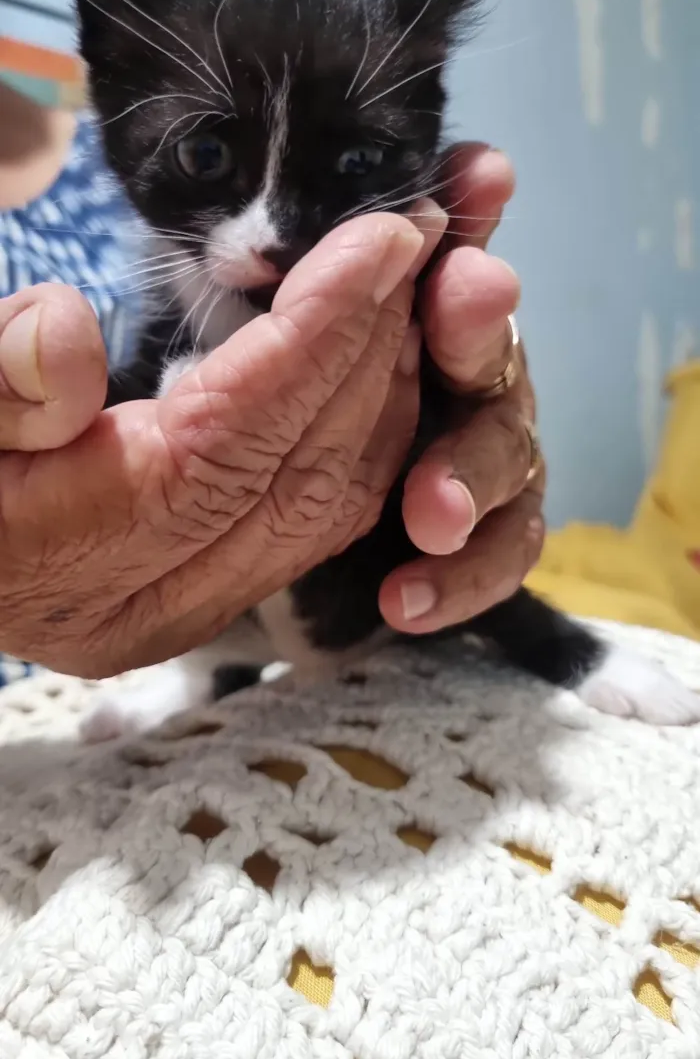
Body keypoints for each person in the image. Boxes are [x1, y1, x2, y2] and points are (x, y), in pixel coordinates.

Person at [0, 79, 544, 679]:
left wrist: (478, 376)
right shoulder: (156, 162)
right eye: (207, 159)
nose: (275, 239)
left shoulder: (127, 136)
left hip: (338, 625)